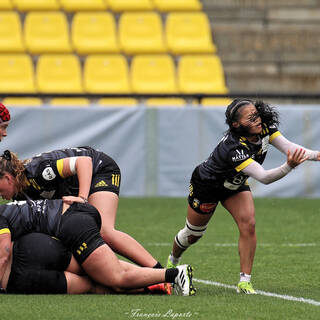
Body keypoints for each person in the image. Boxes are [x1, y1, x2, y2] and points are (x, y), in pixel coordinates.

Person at [166, 98, 320, 294]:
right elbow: (263, 177)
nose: (257, 120)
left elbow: (291, 149)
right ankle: (173, 260)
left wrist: (316, 155)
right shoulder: (233, 148)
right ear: (236, 125)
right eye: (251, 118)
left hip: (234, 184)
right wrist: (289, 166)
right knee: (193, 234)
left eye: (256, 114)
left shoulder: (265, 128)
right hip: (207, 184)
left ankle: (244, 282)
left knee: (249, 223)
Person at [0, 146, 161, 269]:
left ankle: (160, 272)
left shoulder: (38, 171)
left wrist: (82, 198)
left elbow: (83, 162)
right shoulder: (19, 193)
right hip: (79, 183)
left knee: (104, 231)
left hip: (100, 169)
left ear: (8, 178)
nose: (1, 195)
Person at [0, 198, 196, 296]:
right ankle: (157, 284)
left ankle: (172, 275)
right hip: (43, 243)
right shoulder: (12, 205)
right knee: (100, 277)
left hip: (64, 228)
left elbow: (4, 253)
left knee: (113, 277)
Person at [2, 233, 170, 295]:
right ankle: (160, 280)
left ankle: (158, 281)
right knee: (99, 271)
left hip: (16, 279)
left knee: (93, 285)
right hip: (31, 250)